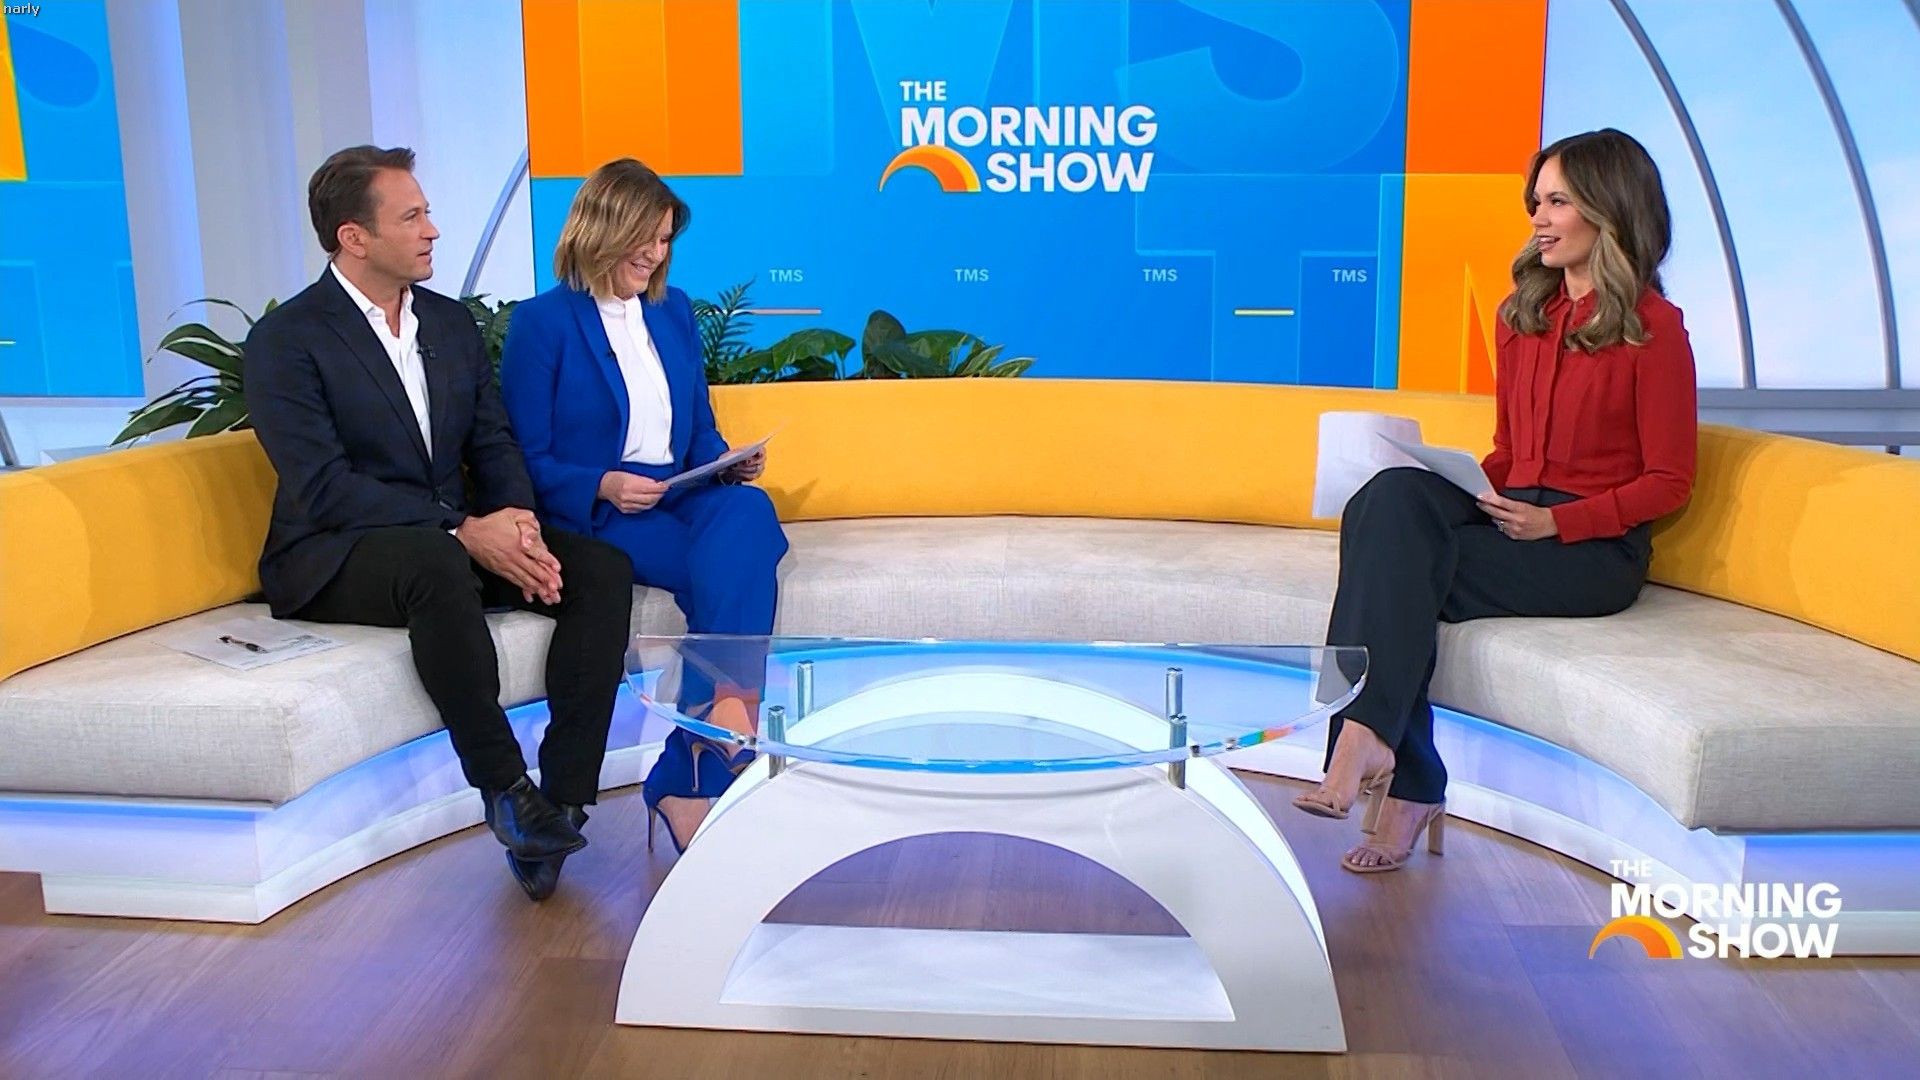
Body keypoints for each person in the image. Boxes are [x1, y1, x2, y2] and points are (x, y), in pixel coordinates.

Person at [1293, 128, 1698, 873]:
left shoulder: (1654, 330)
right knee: (1386, 499)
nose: (1538, 219)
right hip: (1516, 516)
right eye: (1535, 202)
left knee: (1397, 573)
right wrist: (1476, 489)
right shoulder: (1522, 316)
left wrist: (1558, 521)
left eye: (1557, 202)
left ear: (1609, 210)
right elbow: (1510, 451)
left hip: (1590, 552)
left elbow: (1669, 480)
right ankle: (1380, 752)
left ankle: (1384, 758)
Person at [245, 145, 634, 902]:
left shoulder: (448, 324)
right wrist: (462, 529)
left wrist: (517, 523)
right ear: (355, 237)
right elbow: (323, 487)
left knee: (599, 571)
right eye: (412, 216)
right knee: (437, 563)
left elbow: (492, 441)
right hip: (337, 550)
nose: (433, 230)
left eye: (427, 212)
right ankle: (503, 788)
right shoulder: (289, 341)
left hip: (449, 536)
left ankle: (561, 800)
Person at [500, 158, 789, 855]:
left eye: (664, 240)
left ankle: (695, 754)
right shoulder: (542, 324)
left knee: (749, 513)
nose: (656, 254)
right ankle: (711, 753)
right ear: (604, 228)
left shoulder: (673, 310)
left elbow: (697, 430)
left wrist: (726, 461)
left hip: (683, 491)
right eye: (646, 237)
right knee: (730, 565)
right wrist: (601, 484)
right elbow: (524, 455)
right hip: (606, 512)